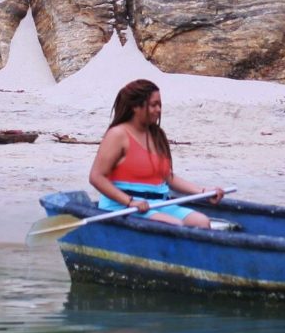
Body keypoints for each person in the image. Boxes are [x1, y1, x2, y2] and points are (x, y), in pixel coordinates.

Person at [88, 78, 228, 227]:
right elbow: (96, 177)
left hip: (158, 204)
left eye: (159, 105)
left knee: (202, 222)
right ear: (136, 107)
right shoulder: (118, 135)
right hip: (123, 207)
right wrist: (129, 201)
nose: (159, 110)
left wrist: (203, 191)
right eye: (153, 105)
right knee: (174, 225)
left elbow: (168, 177)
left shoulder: (157, 135)